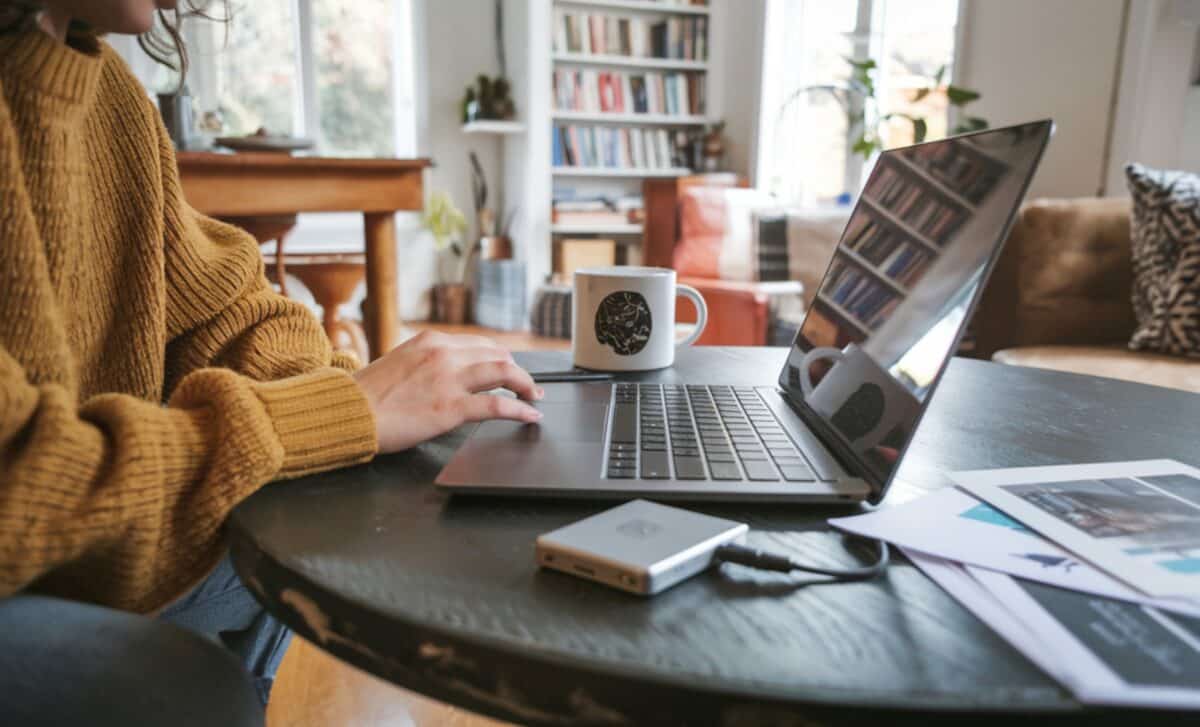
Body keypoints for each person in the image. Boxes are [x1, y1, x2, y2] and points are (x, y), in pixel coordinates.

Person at [0, 0, 543, 710]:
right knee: (192, 693)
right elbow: (22, 480)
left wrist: (349, 406)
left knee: (320, 522)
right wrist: (334, 412)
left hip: (91, 542)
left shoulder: (113, 99)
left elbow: (230, 308)